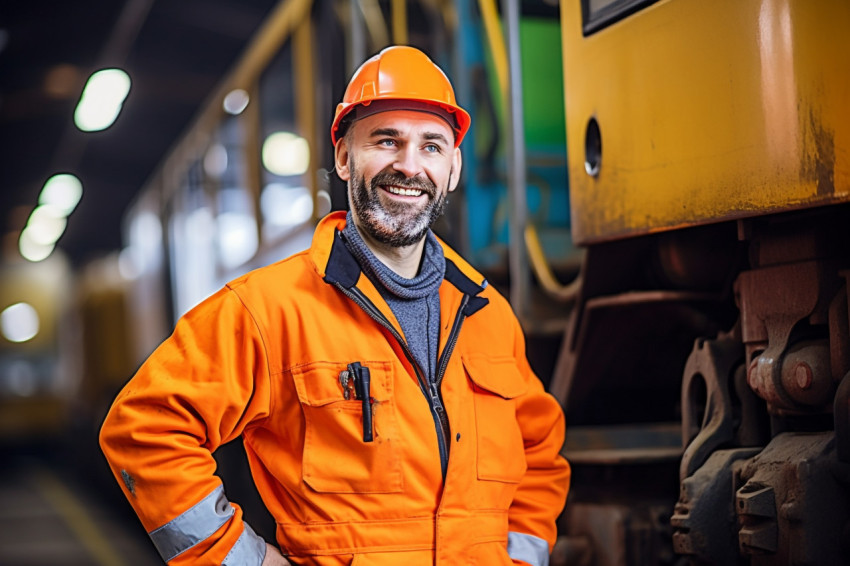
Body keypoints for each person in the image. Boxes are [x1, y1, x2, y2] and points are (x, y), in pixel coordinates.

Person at [100, 45, 570, 566]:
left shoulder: (487, 314)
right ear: (345, 158)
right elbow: (144, 427)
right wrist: (243, 560)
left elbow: (540, 455)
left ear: (454, 169)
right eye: (386, 140)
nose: (409, 165)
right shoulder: (268, 309)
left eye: (431, 146)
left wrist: (524, 560)